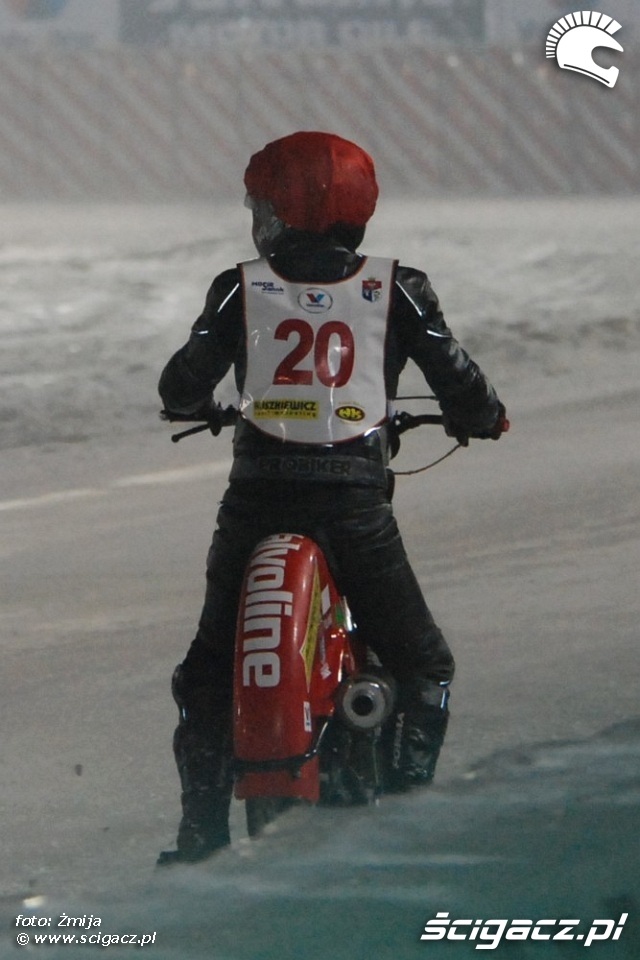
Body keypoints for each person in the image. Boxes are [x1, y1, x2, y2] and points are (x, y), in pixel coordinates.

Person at [157, 131, 507, 865]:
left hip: (256, 503)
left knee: (207, 672)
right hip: (353, 505)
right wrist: (481, 417)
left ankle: (198, 837)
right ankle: (406, 819)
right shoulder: (397, 286)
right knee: (422, 666)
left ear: (276, 214)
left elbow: (181, 385)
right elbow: (458, 378)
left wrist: (198, 407)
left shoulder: (240, 287)